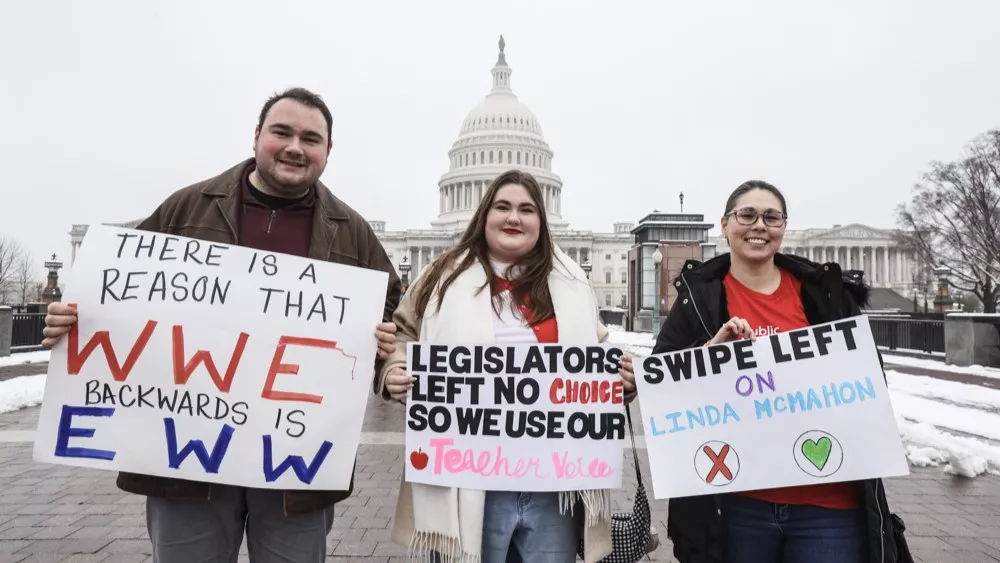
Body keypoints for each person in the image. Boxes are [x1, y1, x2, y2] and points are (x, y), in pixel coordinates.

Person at [40, 87, 402, 563]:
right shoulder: (188, 208)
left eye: (311, 138)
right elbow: (118, 286)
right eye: (282, 132)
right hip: (187, 462)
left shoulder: (352, 230)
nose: (296, 146)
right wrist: (76, 318)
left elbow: (390, 318)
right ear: (257, 136)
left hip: (294, 461)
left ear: (327, 152)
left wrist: (382, 351)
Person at [619, 180, 913, 563]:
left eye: (771, 217)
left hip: (829, 503)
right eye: (747, 215)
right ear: (724, 225)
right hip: (736, 503)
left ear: (783, 228)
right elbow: (662, 379)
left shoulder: (825, 295)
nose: (759, 225)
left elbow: (868, 379)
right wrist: (711, 354)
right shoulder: (698, 300)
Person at [375, 169, 636, 563]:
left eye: (527, 209)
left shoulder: (571, 283)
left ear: (541, 221)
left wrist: (622, 380)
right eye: (503, 207)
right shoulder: (440, 276)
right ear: (484, 215)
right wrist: (394, 369)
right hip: (468, 477)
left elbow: (597, 354)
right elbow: (402, 334)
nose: (514, 218)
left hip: (553, 484)